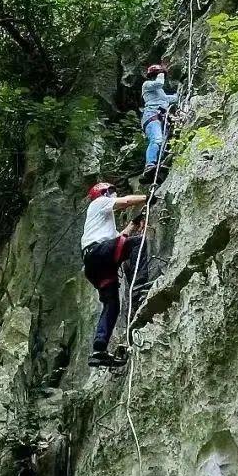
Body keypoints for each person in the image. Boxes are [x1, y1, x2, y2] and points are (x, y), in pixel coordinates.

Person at [81, 181, 148, 368]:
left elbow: (120, 239)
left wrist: (135, 222)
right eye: (111, 192)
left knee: (112, 304)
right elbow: (125, 201)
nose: (113, 194)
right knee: (138, 243)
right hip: (100, 253)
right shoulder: (98, 203)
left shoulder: (99, 223)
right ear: (104, 192)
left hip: (94, 263)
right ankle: (140, 287)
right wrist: (147, 198)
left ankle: (99, 349)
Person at [140, 62, 180, 179]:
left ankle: (156, 167)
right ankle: (150, 165)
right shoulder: (147, 85)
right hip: (152, 116)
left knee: (162, 142)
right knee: (157, 140)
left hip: (161, 118)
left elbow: (172, 98)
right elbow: (159, 84)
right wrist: (162, 73)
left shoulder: (160, 93)